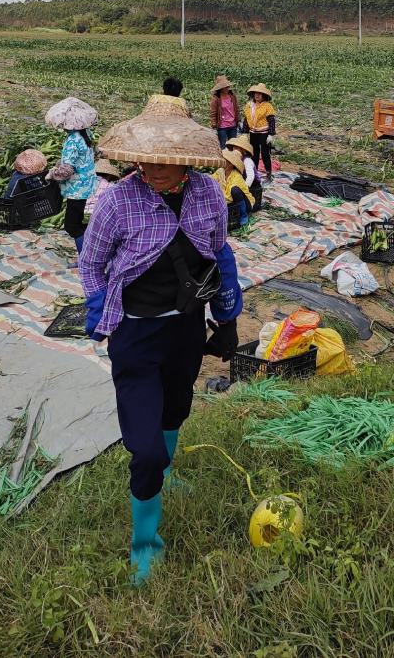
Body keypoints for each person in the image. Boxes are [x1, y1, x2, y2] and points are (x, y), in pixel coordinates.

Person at [79, 95, 242, 585]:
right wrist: (96, 306)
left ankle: (167, 475)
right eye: (143, 159)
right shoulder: (116, 201)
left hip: (185, 329)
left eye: (161, 161)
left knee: (177, 408)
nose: (150, 169)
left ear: (186, 161)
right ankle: (146, 543)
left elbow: (218, 253)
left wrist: (226, 317)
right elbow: (91, 262)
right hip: (135, 331)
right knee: (144, 448)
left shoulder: (210, 195)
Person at [45, 97, 99, 257]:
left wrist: (52, 173)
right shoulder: (86, 134)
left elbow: (66, 172)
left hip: (76, 189)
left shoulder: (72, 141)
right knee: (77, 221)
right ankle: (91, 247)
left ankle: (86, 257)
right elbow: (86, 157)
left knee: (72, 226)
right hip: (87, 184)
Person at [241, 83, 276, 183]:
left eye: (260, 94)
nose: (257, 95)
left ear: (263, 95)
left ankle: (269, 174)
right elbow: (246, 119)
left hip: (264, 133)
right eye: (256, 93)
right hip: (253, 132)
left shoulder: (267, 106)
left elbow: (271, 120)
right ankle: (254, 172)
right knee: (254, 153)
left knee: (265, 153)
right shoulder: (249, 105)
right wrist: (245, 131)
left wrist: (271, 134)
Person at [215, 148, 255, 227]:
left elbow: (229, 197)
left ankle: (244, 214)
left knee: (234, 190)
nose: (222, 162)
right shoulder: (220, 171)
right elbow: (212, 180)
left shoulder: (236, 176)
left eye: (225, 161)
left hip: (245, 203)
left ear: (230, 164)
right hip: (228, 201)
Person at [225, 134, 262, 210]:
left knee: (236, 191)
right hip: (241, 181)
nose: (236, 149)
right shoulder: (234, 159)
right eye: (235, 147)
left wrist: (245, 187)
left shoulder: (247, 161)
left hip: (253, 185)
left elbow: (251, 177)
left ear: (244, 150)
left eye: (239, 148)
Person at [209, 75, 239, 148]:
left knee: (232, 146)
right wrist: (214, 125)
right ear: (220, 88)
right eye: (224, 87)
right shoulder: (216, 99)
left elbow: (236, 108)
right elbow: (213, 113)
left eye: (227, 86)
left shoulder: (232, 96)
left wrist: (238, 119)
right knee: (222, 146)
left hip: (233, 125)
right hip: (222, 126)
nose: (227, 88)